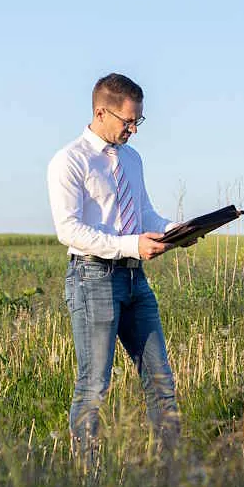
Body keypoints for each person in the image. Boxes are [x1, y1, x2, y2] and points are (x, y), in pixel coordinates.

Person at [47, 73, 182, 460]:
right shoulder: (70, 161)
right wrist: (131, 245)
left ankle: (173, 475)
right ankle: (88, 481)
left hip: (135, 279)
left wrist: (179, 230)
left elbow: (143, 215)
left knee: (161, 382)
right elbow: (69, 230)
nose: (134, 130)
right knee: (93, 387)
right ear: (101, 111)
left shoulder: (132, 159)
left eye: (138, 121)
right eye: (128, 121)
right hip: (92, 279)